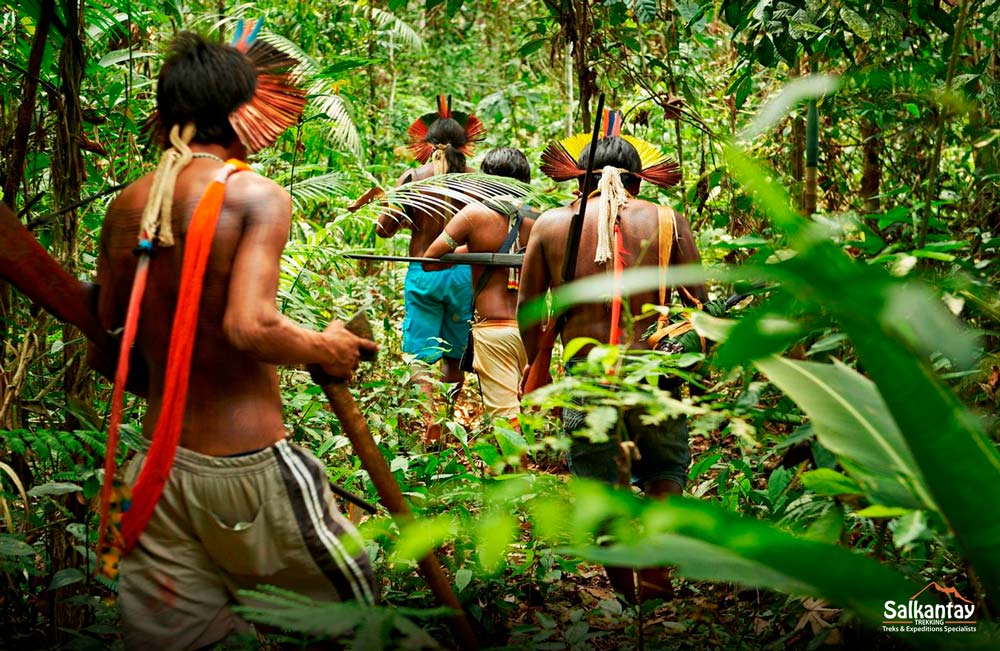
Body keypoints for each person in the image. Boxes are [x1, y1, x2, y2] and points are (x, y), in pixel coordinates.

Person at [87, 29, 378, 650]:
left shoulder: (125, 207)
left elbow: (107, 353)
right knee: (363, 618)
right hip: (247, 472)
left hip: (157, 475)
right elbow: (251, 325)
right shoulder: (255, 197)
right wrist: (328, 346)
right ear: (243, 111)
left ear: (165, 116)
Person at [517, 131, 707, 603]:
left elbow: (529, 312)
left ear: (579, 179)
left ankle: (629, 595)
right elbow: (698, 306)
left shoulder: (551, 225)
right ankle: (657, 581)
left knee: (598, 489)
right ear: (639, 180)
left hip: (586, 377)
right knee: (666, 474)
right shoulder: (668, 221)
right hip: (656, 373)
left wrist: (538, 362)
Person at [374, 96, 486, 445]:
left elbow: (383, 228)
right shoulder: (478, 180)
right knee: (454, 353)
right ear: (465, 146)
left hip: (422, 272)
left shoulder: (412, 177)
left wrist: (406, 214)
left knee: (421, 351)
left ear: (427, 146)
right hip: (463, 274)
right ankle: (446, 418)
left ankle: (428, 420)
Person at [423, 147, 536, 425]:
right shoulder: (541, 220)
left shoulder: (474, 215)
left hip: (494, 331)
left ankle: (518, 469)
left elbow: (430, 261)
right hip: (532, 332)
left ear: (487, 180)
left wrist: (474, 250)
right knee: (528, 413)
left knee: (506, 420)